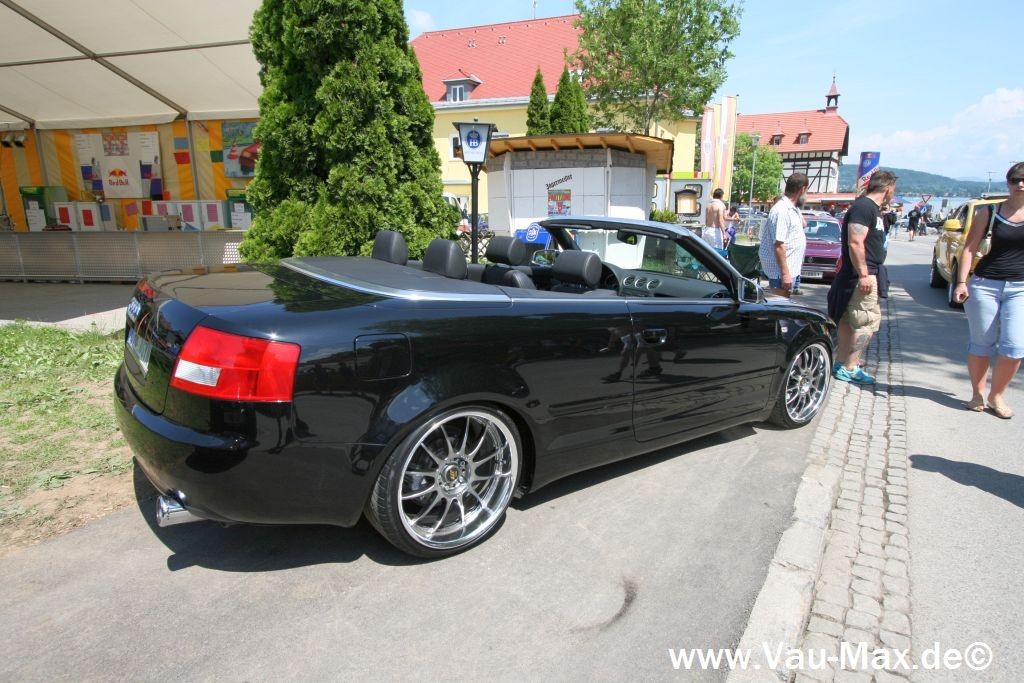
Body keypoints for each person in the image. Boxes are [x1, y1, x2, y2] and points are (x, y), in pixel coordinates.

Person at [953, 163, 1024, 418]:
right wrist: (961, 282)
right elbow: (969, 248)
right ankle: (977, 394)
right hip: (986, 285)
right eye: (1015, 179)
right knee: (982, 344)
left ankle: (997, 395)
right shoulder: (990, 212)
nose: (1020, 184)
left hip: (1020, 288)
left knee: (1015, 347)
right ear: (1008, 183)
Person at [827, 170, 898, 385]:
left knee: (849, 320)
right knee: (867, 323)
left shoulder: (871, 209)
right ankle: (850, 366)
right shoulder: (864, 207)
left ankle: (842, 363)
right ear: (888, 188)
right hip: (862, 275)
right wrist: (864, 274)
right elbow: (855, 242)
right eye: (894, 189)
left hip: (859, 274)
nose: (893, 194)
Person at [758, 173, 809, 297]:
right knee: (779, 304)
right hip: (780, 271)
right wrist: (785, 273)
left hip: (788, 267)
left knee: (784, 303)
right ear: (802, 189)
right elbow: (779, 245)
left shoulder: (792, 208)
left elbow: (803, 224)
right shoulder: (782, 210)